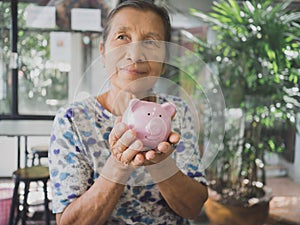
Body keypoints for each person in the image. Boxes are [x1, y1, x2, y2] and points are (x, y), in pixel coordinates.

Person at [49, 1, 208, 224]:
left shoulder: (176, 112)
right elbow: (69, 222)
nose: (135, 54)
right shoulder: (72, 120)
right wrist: (119, 164)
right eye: (122, 37)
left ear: (163, 63)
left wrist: (160, 164)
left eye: (150, 42)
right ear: (103, 52)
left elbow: (193, 208)